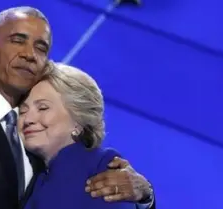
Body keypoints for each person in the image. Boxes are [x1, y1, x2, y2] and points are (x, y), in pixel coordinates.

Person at [0, 6, 155, 209]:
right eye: (17, 40)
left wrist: (145, 196)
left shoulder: (54, 140)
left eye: (41, 47)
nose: (29, 54)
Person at [20, 62, 136, 209]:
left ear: (78, 120)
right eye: (22, 111)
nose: (28, 119)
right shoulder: (25, 173)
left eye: (43, 108)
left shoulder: (100, 166)